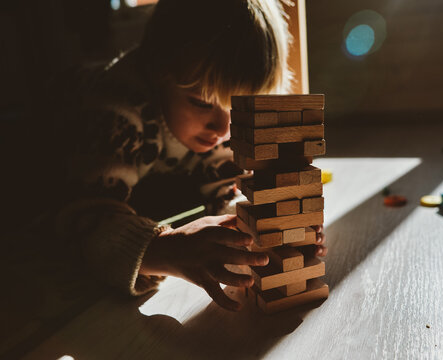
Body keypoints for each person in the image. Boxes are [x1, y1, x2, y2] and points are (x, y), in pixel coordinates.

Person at [40, 0, 327, 311]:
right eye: (203, 103)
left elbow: (235, 189)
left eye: (238, 108)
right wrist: (163, 249)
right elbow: (84, 219)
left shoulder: (223, 122)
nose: (224, 126)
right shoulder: (117, 111)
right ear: (156, 73)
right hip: (60, 114)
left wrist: (276, 225)